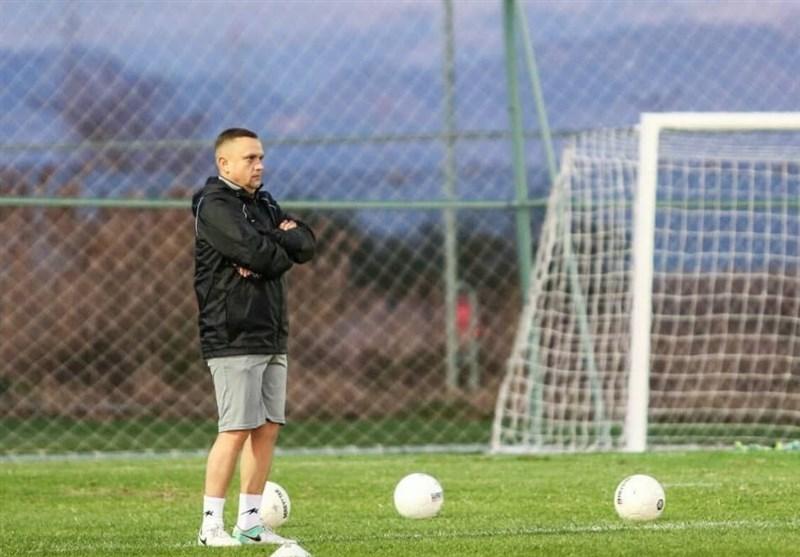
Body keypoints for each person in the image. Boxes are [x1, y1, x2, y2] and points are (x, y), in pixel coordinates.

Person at [191, 127, 315, 547]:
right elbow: (262, 255)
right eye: (250, 158)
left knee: (267, 428)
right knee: (235, 429)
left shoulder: (263, 203)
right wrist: (276, 243)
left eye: (260, 157)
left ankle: (249, 525)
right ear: (224, 163)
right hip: (233, 332)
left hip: (271, 331)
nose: (259, 165)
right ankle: (210, 527)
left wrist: (270, 241)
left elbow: (305, 244)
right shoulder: (214, 205)